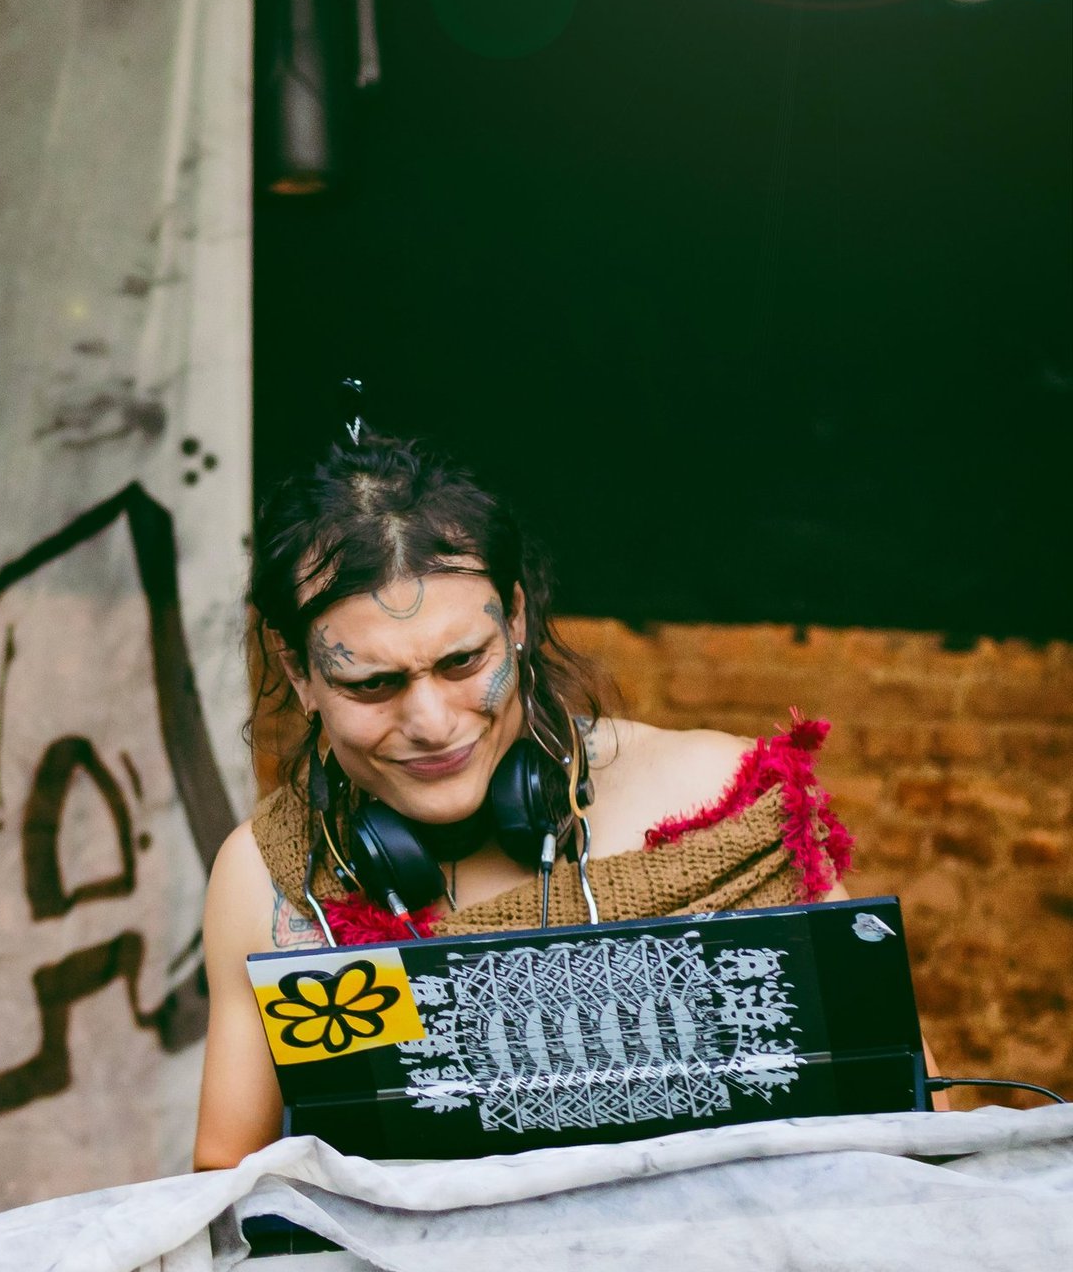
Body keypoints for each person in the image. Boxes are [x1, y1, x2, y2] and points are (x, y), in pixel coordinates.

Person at [193, 429, 867, 1171]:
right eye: (372, 684)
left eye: (462, 661)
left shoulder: (721, 796)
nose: (432, 723)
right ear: (298, 672)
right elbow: (235, 1190)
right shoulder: (270, 880)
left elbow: (900, 1116)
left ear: (514, 620)